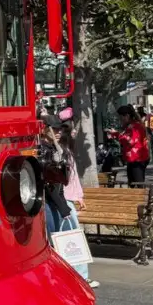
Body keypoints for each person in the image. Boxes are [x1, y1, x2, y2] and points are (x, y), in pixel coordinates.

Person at [39, 115, 98, 288]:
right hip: (51, 200)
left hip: (63, 198)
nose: (58, 132)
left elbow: (70, 177)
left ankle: (80, 274)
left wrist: (77, 197)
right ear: (44, 129)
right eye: (54, 129)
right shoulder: (42, 150)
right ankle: (67, 275)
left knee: (71, 236)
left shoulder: (60, 149)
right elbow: (49, 182)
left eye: (59, 129)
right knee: (57, 237)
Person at [116, 105, 151, 186]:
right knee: (132, 183)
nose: (120, 120)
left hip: (138, 158)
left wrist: (118, 135)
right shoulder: (129, 126)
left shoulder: (135, 126)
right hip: (132, 158)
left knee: (138, 183)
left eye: (121, 117)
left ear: (127, 116)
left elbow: (131, 141)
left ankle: (141, 197)